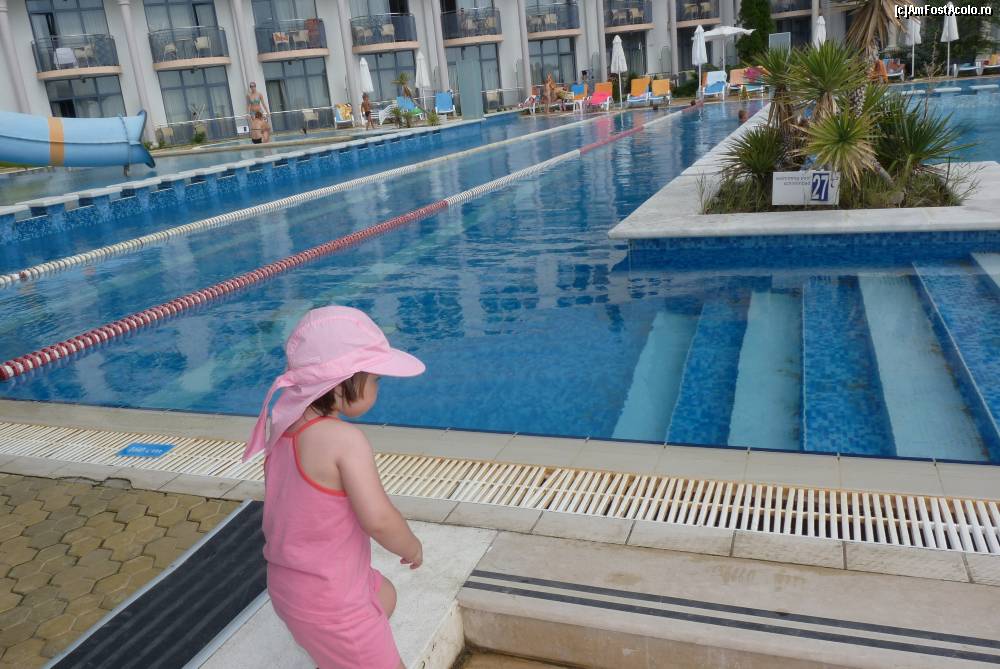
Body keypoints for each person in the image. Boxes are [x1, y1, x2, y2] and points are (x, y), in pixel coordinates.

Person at [245, 306, 425, 669]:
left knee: (384, 594)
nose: (378, 387)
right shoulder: (344, 441)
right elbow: (379, 520)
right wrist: (410, 545)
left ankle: (341, 654)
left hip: (290, 586)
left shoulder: (284, 425)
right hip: (333, 606)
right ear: (343, 384)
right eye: (375, 379)